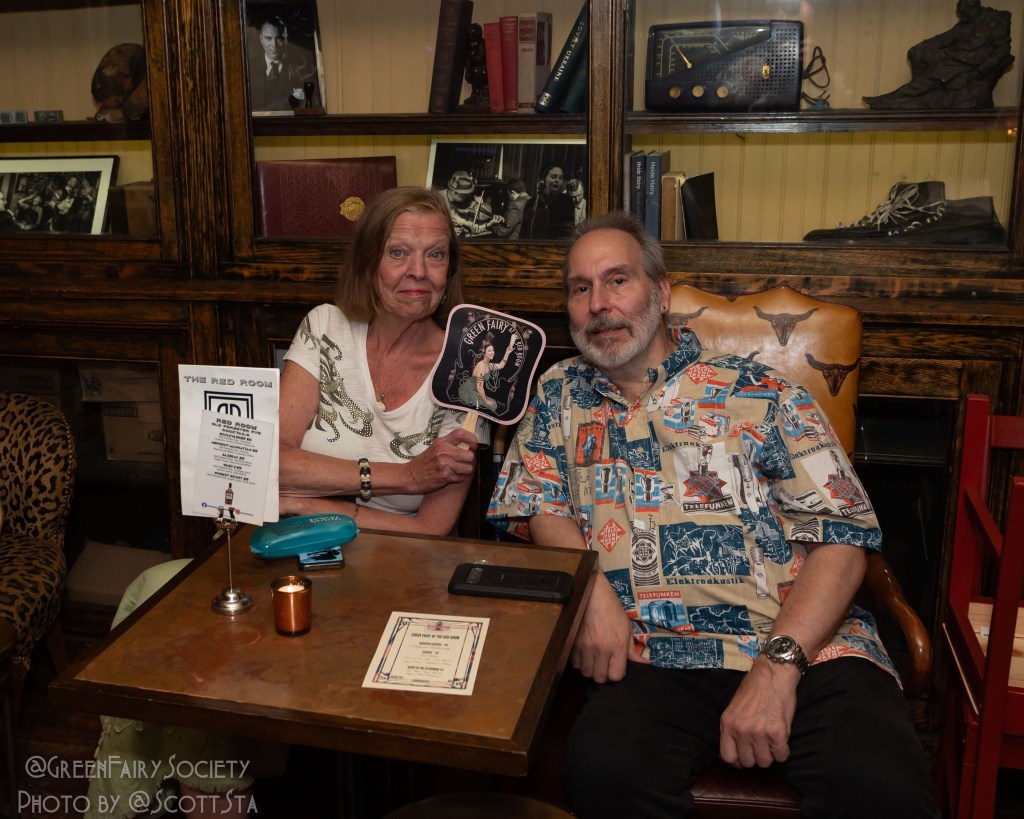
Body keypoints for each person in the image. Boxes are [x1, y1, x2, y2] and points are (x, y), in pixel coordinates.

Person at [487, 211, 940, 819]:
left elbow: (843, 536)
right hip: (650, 656)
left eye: (618, 280)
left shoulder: (762, 392)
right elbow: (540, 502)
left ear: (661, 292)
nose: (598, 304)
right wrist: (589, 589)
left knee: (882, 786)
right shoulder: (558, 393)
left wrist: (777, 670)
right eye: (580, 287)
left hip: (803, 646)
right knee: (605, 771)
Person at [279, 185, 485, 534]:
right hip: (296, 543)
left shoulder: (467, 369)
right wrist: (408, 476)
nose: (418, 271)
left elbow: (431, 529)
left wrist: (308, 505)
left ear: (449, 271)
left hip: (397, 556)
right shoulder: (326, 327)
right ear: (368, 264)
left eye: (436, 254)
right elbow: (274, 464)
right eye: (398, 253)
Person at [248, 15, 319, 112]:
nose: (274, 44)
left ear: (286, 38)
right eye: (268, 38)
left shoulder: (303, 67)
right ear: (261, 39)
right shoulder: (249, 67)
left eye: (279, 38)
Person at [458, 331, 514, 411]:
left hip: (475, 390)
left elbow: (501, 365)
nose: (492, 352)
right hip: (467, 391)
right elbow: (480, 387)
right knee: (491, 406)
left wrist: (507, 352)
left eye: (493, 350)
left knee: (493, 403)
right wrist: (486, 401)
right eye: (489, 351)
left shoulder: (488, 365)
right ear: (484, 353)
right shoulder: (481, 367)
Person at [520, 162, 575, 240]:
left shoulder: (566, 201)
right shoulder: (532, 203)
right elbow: (524, 232)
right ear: (543, 179)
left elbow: (568, 232)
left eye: (560, 178)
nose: (557, 180)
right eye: (553, 177)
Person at [441, 170, 503, 239]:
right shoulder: (438, 199)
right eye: (464, 194)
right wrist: (466, 223)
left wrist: (489, 224)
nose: (468, 197)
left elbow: (473, 230)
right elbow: (450, 219)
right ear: (454, 191)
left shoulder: (466, 204)